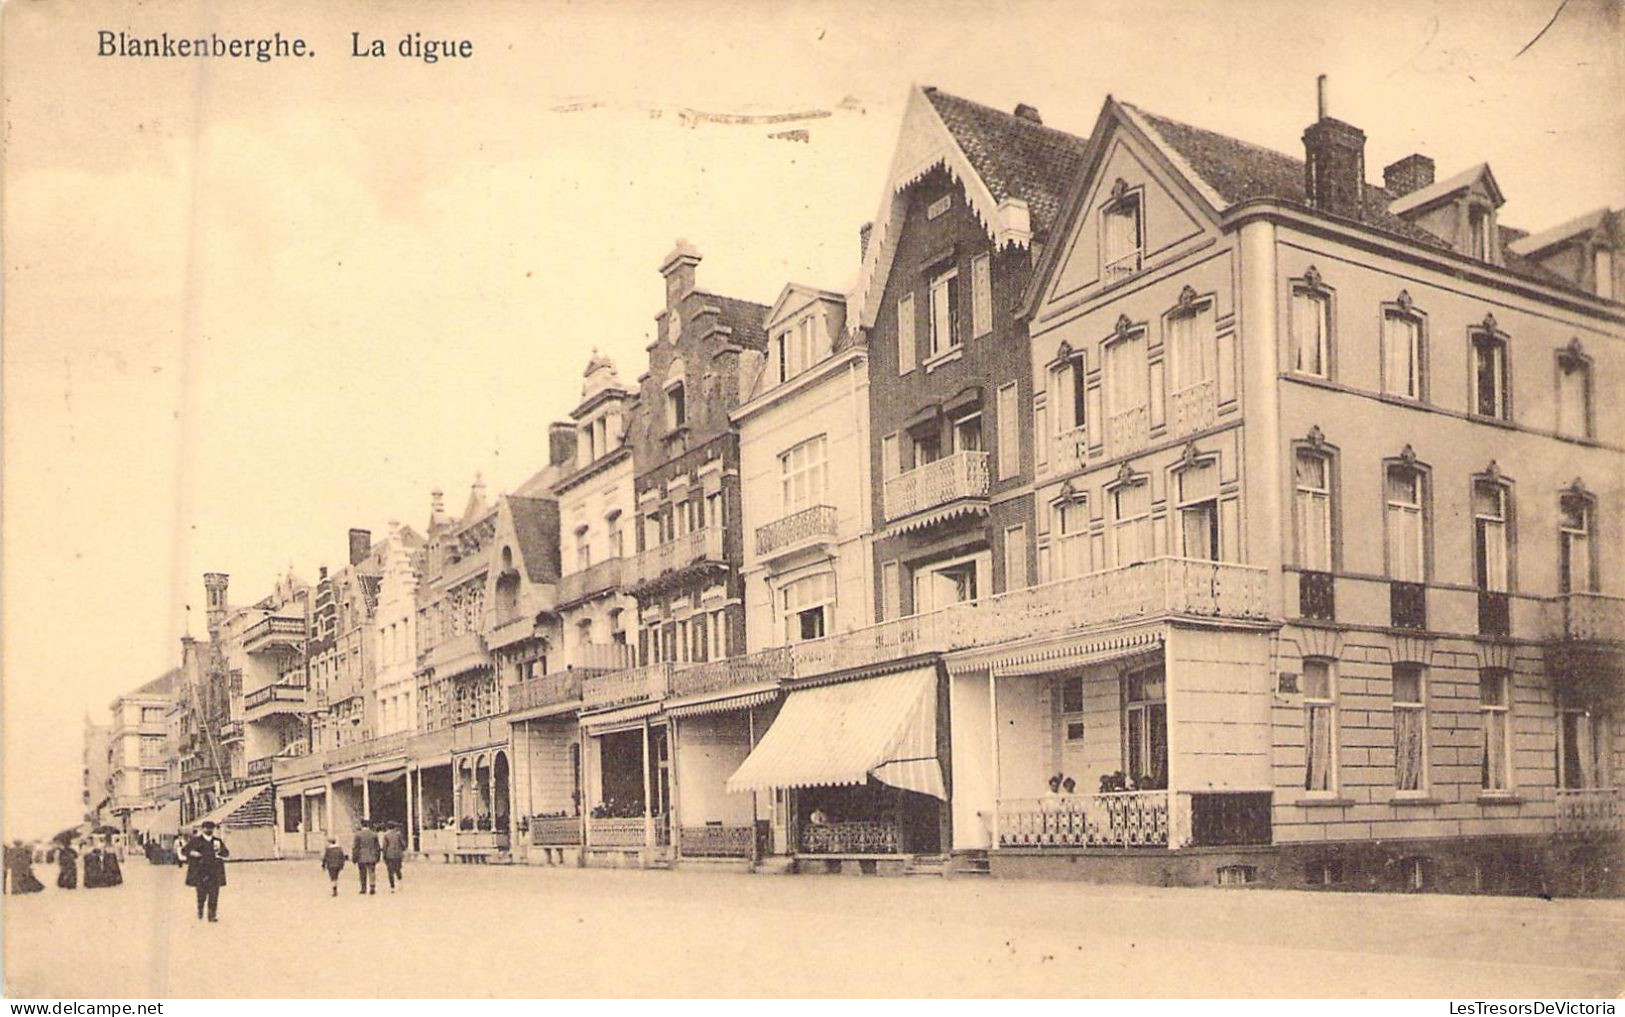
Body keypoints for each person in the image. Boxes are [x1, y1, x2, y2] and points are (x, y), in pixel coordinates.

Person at [182, 821, 229, 922]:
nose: (209, 830)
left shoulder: (217, 841)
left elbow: (226, 853)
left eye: (211, 828)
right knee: (201, 894)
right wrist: (192, 853)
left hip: (214, 872)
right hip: (200, 871)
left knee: (214, 894)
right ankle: (200, 910)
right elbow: (185, 850)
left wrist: (221, 853)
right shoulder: (196, 841)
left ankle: (212, 915)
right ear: (202, 829)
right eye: (206, 828)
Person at [351, 820, 381, 895]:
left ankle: (363, 888)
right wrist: (378, 857)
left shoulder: (358, 835)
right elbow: (377, 847)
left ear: (362, 825)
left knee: (362, 873)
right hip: (372, 855)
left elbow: (356, 847)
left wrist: (354, 858)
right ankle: (372, 886)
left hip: (361, 856)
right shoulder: (374, 835)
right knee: (372, 872)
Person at [380, 822, 405, 892]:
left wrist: (384, 855)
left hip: (389, 855)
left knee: (390, 871)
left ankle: (392, 887)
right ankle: (400, 884)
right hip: (397, 855)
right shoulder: (398, 834)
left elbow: (384, 846)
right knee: (398, 869)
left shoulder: (386, 835)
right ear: (394, 827)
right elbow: (403, 844)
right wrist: (402, 849)